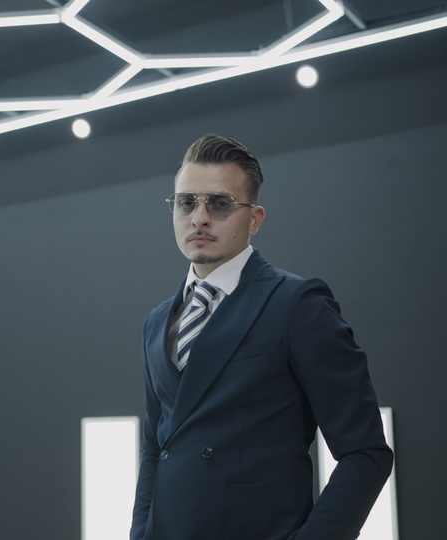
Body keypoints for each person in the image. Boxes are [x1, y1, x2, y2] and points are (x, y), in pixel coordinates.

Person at [131, 134, 394, 540]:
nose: (199, 217)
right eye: (186, 203)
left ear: (254, 219)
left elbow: (366, 453)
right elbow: (154, 448)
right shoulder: (157, 320)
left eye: (219, 204)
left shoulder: (296, 303)